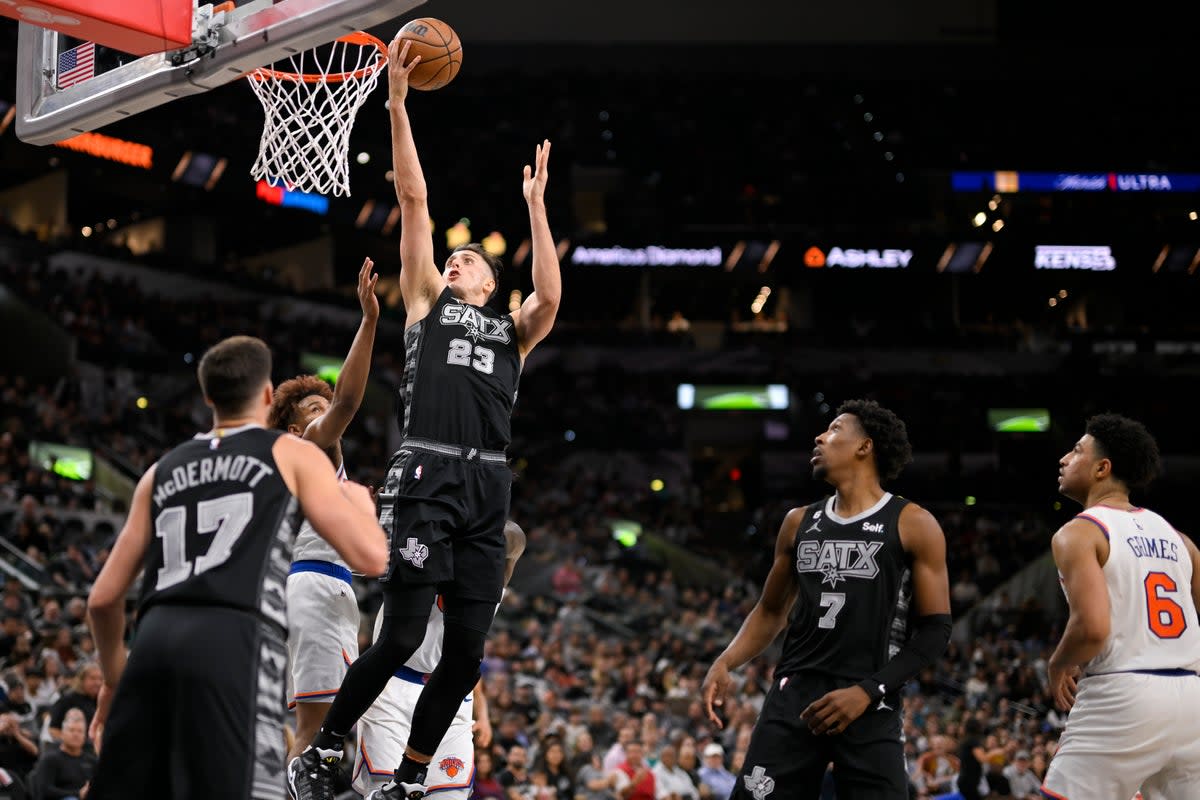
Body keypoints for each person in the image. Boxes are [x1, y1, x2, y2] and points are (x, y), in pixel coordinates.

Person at [290, 35, 561, 800]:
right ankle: (325, 748)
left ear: (492, 281)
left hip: (487, 487)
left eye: (471, 259)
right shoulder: (424, 304)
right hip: (426, 469)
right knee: (402, 634)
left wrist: (536, 206)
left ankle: (412, 777)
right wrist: (400, 106)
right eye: (454, 255)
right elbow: (415, 200)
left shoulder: (515, 330)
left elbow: (549, 294)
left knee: (466, 656)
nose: (457, 260)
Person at [84, 335, 390, 800]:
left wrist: (110, 681)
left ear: (208, 397)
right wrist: (359, 506)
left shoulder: (162, 469)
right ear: (268, 397)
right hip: (233, 628)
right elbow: (370, 557)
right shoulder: (288, 455)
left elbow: (103, 600)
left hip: (154, 635)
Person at [701, 399, 952, 799]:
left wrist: (869, 691)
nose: (819, 436)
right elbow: (770, 610)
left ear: (864, 447)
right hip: (794, 695)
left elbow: (935, 630)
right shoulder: (798, 521)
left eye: (834, 429)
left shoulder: (912, 522)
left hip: (870, 700)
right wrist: (726, 660)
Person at [1041, 414, 1200, 800]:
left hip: (1122, 691)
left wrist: (1059, 662)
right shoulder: (1182, 541)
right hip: (1191, 697)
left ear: (1102, 468)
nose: (1064, 458)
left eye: (1076, 450)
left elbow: (1093, 627)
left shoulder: (1079, 532)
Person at [267, 257, 380, 762]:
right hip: (315, 588)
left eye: (322, 404)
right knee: (315, 733)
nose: (325, 412)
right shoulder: (310, 445)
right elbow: (350, 402)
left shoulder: (306, 467)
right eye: (314, 408)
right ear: (296, 429)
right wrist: (369, 321)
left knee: (324, 735)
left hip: (325, 589)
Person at [352, 522, 527, 798]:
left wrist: (482, 714)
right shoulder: (426, 552)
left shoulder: (490, 585)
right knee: (384, 790)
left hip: (448, 695)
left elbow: (513, 536)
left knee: (449, 794)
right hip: (394, 685)